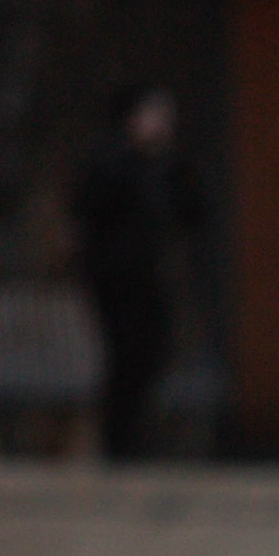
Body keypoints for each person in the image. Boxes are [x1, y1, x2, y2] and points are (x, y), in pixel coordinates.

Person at [72, 84, 207, 461]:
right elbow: (91, 209)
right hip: (115, 279)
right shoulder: (111, 161)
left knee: (152, 355)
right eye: (153, 115)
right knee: (125, 356)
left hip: (152, 277)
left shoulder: (168, 166)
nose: (161, 125)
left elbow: (193, 211)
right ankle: (119, 444)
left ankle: (135, 440)